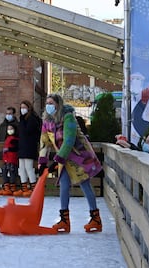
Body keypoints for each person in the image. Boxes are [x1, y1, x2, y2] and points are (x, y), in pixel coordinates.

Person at [38, 94, 103, 233]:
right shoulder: (47, 122)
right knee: (64, 185)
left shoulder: (68, 118)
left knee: (85, 184)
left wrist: (56, 160)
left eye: (52, 103)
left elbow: (69, 140)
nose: (49, 106)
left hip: (80, 157)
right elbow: (44, 143)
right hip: (64, 159)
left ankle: (96, 219)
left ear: (58, 104)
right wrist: (42, 162)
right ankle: (64, 220)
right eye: (47, 103)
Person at [13, 100, 42, 197]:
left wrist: (22, 122)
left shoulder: (32, 119)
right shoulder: (22, 119)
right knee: (21, 169)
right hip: (22, 146)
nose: (22, 109)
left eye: (24, 107)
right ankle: (24, 187)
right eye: (21, 107)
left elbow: (28, 131)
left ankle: (33, 188)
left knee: (29, 168)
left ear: (29, 108)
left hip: (29, 146)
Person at [0, 106, 19, 176]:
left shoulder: (17, 125)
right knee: (3, 170)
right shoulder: (2, 125)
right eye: (7, 113)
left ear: (13, 114)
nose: (8, 115)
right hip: (3, 152)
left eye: (10, 113)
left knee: (13, 170)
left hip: (13, 153)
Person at [0, 123, 19, 196]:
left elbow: (16, 148)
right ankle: (6, 188)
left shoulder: (15, 139)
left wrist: (9, 149)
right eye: (8, 129)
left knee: (12, 173)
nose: (9, 130)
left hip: (12, 158)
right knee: (4, 172)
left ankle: (12, 188)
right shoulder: (7, 138)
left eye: (11, 129)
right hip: (6, 158)